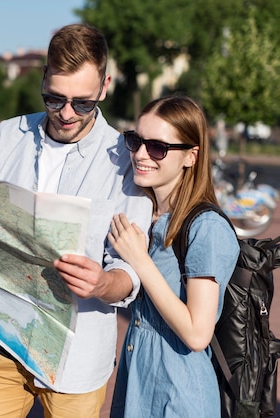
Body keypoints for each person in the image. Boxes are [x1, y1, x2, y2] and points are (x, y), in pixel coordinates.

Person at [0, 23, 152, 417]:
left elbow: (133, 270)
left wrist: (104, 282)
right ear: (42, 78)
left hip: (76, 356)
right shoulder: (7, 136)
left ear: (105, 87)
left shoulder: (126, 159)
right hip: (0, 342)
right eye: (54, 99)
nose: (67, 113)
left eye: (83, 103)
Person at [107, 95, 240, 417]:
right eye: (135, 140)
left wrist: (140, 261)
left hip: (179, 398)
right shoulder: (145, 215)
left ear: (191, 156)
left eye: (157, 147)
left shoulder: (206, 228)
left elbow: (197, 333)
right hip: (138, 389)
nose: (140, 154)